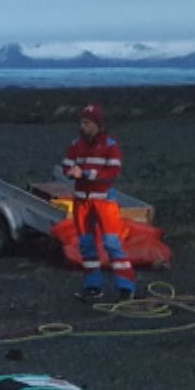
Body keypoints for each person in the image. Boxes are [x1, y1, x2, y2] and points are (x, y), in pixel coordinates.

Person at [63, 103, 135, 301]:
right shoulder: (76, 144)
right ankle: (93, 287)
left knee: (112, 243)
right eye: (81, 122)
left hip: (104, 202)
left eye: (86, 123)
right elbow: (67, 166)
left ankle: (126, 287)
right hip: (81, 203)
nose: (82, 126)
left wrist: (85, 173)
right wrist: (71, 172)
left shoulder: (110, 146)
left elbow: (112, 174)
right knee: (86, 244)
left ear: (97, 124)